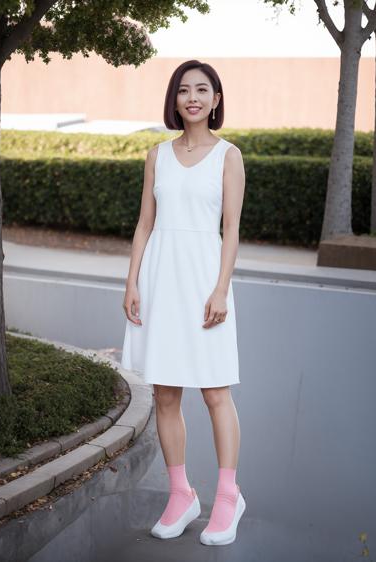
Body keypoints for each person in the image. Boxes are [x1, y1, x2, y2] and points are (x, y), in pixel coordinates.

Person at [121, 59, 246, 546]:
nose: (193, 97)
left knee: (215, 392)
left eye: (203, 89)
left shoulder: (228, 156)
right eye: (184, 90)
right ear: (174, 100)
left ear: (216, 99)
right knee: (166, 394)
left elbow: (231, 229)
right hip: (160, 280)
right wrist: (131, 281)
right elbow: (144, 224)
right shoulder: (157, 154)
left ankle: (228, 498)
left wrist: (220, 288)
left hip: (203, 281)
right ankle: (181, 493)